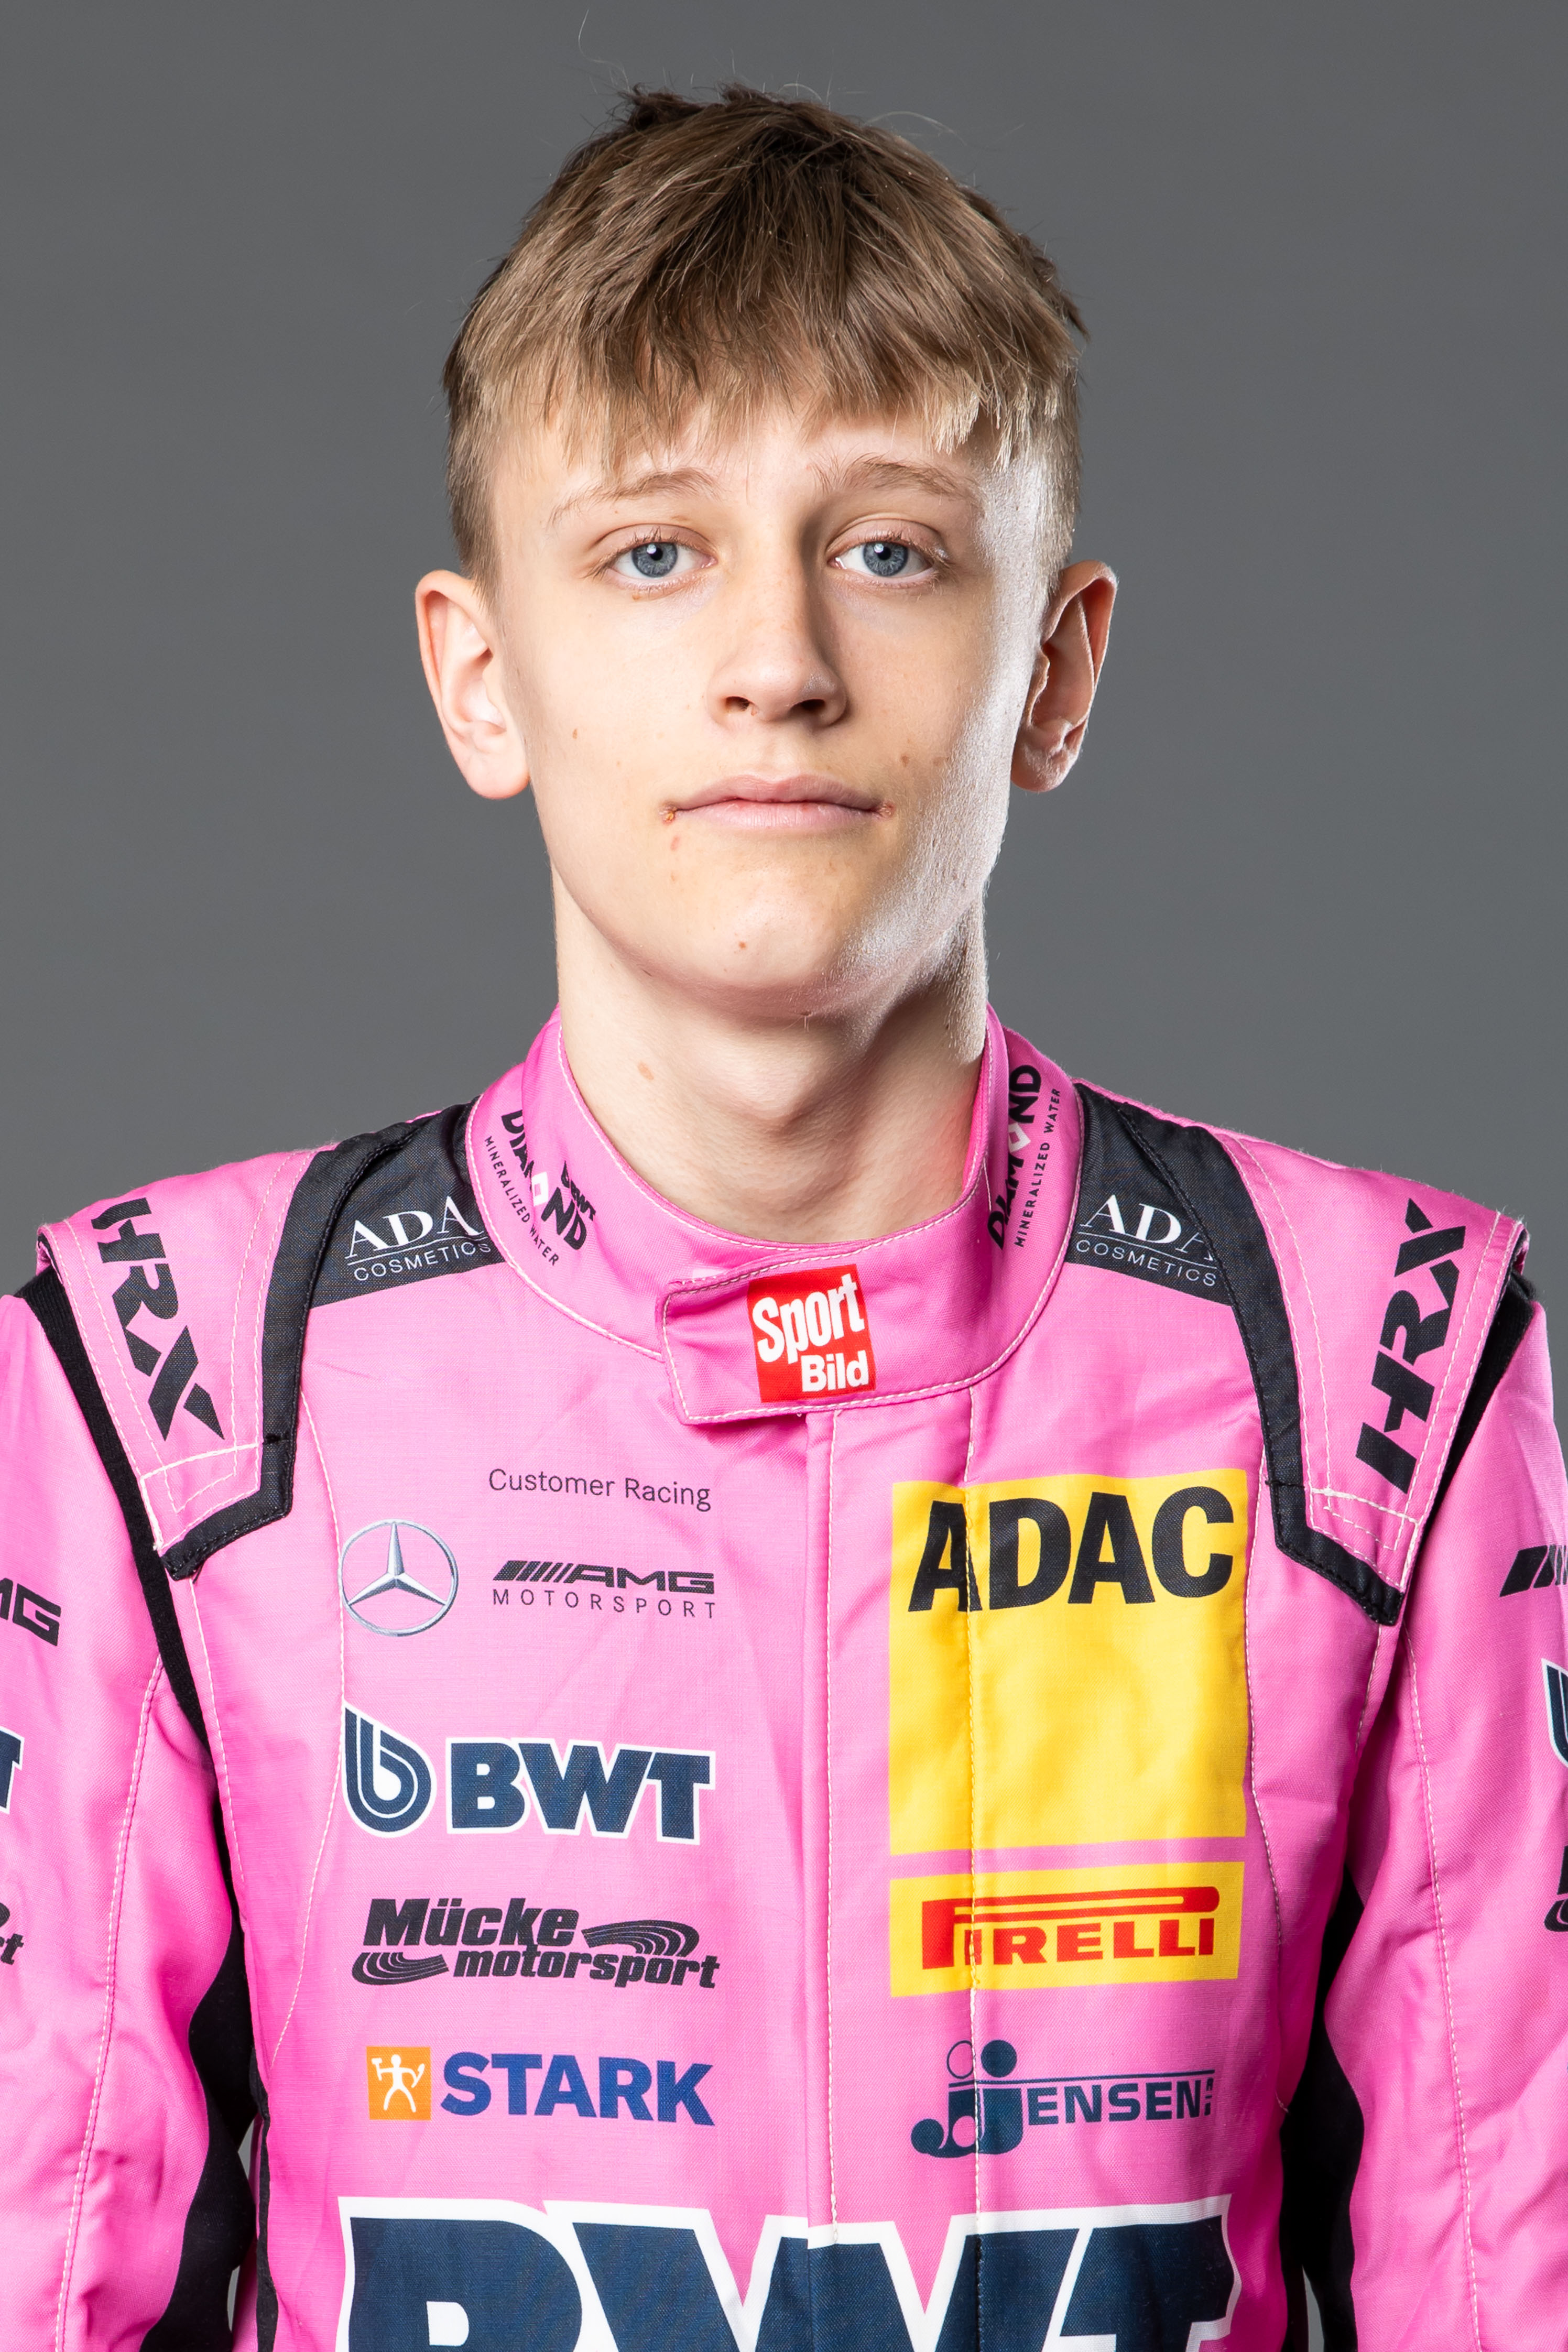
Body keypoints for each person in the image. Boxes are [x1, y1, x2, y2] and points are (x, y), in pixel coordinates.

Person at [0, 83, 1561, 2352]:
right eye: (654, 553)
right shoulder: (168, 1378)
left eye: (893, 550)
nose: (778, 662)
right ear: (478, 675)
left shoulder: (1382, 1365)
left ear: (1056, 673)